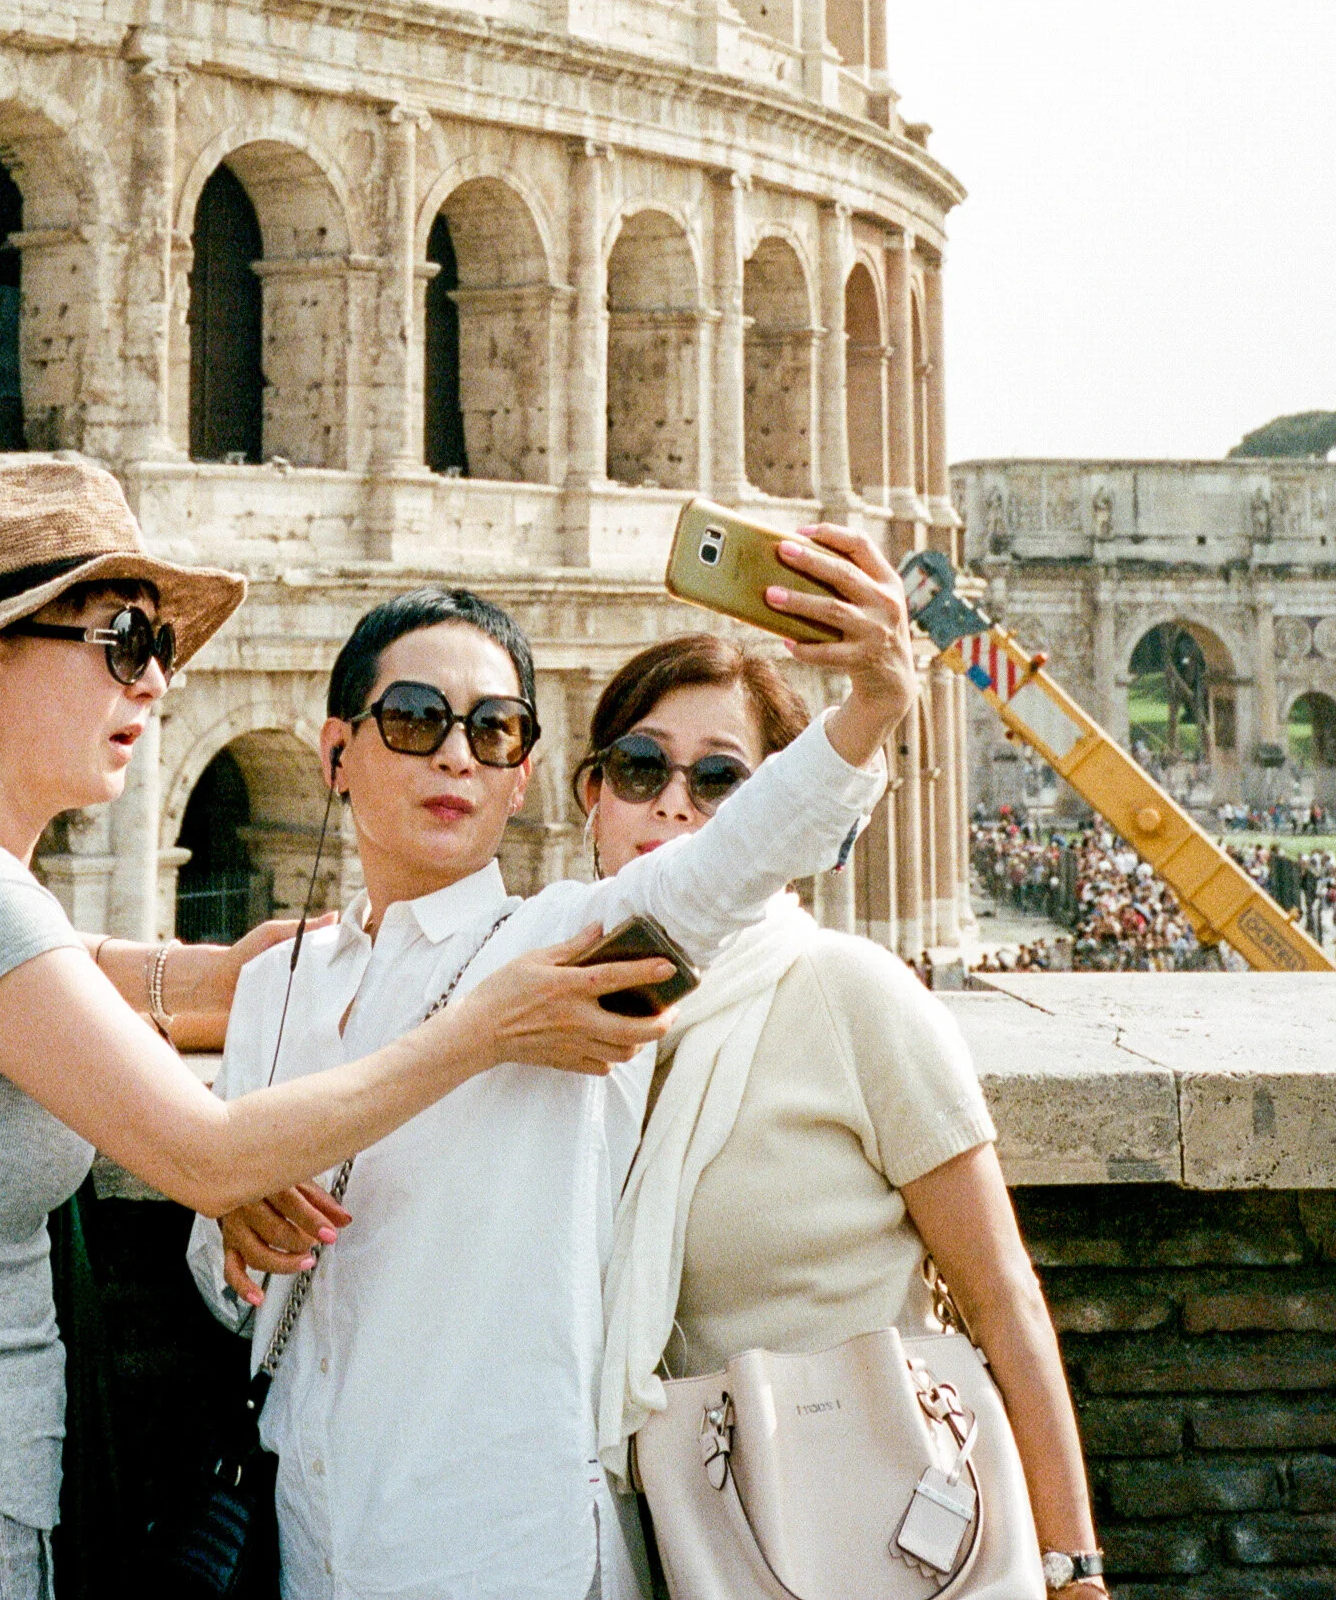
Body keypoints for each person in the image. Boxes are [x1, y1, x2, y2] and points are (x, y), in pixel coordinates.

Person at [0, 458, 669, 1600]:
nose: (154, 682)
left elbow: (72, 970)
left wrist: (226, 968)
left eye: (159, 648)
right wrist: (483, 1025)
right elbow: (208, 1158)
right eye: (122, 642)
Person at [189, 525, 915, 1600]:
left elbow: (732, 859)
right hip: (311, 1527)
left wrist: (870, 704)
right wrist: (228, 1231)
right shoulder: (272, 985)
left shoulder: (573, 942)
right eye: (415, 718)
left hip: (503, 1542)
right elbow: (226, 1288)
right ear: (336, 752)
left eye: (493, 731)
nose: (453, 754)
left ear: (522, 779)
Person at [588, 628, 1109, 1598]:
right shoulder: (545, 1024)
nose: (670, 800)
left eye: (718, 781)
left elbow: (1002, 1297)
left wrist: (1072, 1571)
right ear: (590, 796)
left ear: (780, 815)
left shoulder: (847, 992)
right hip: (645, 1542)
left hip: (871, 1531)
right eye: (638, 766)